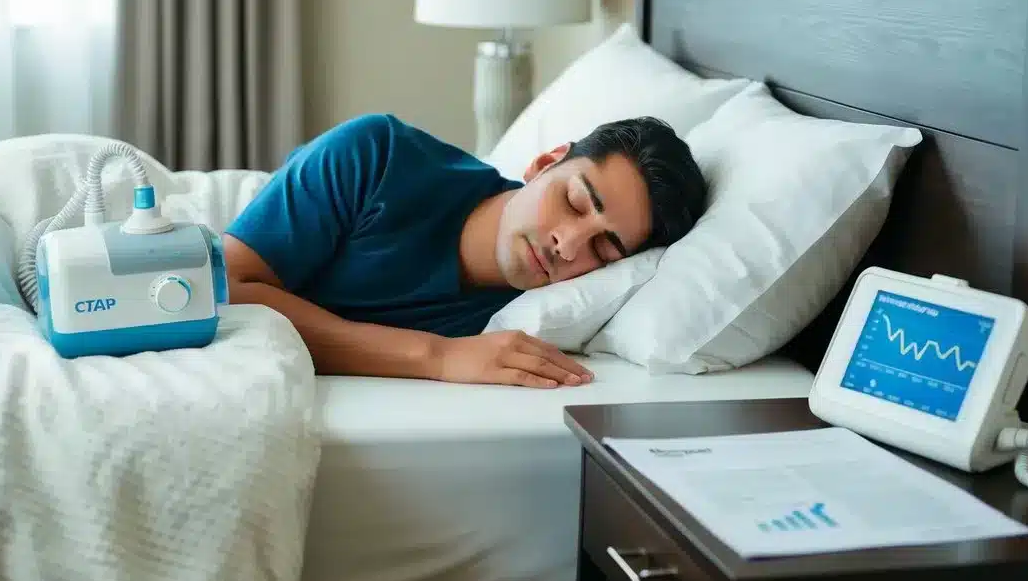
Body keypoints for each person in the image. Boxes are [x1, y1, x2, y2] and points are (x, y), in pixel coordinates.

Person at [222, 112, 707, 388]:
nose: (568, 244)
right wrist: (436, 356)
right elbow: (226, 287)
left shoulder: (536, 316)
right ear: (543, 163)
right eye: (575, 202)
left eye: (603, 249)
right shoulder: (376, 154)